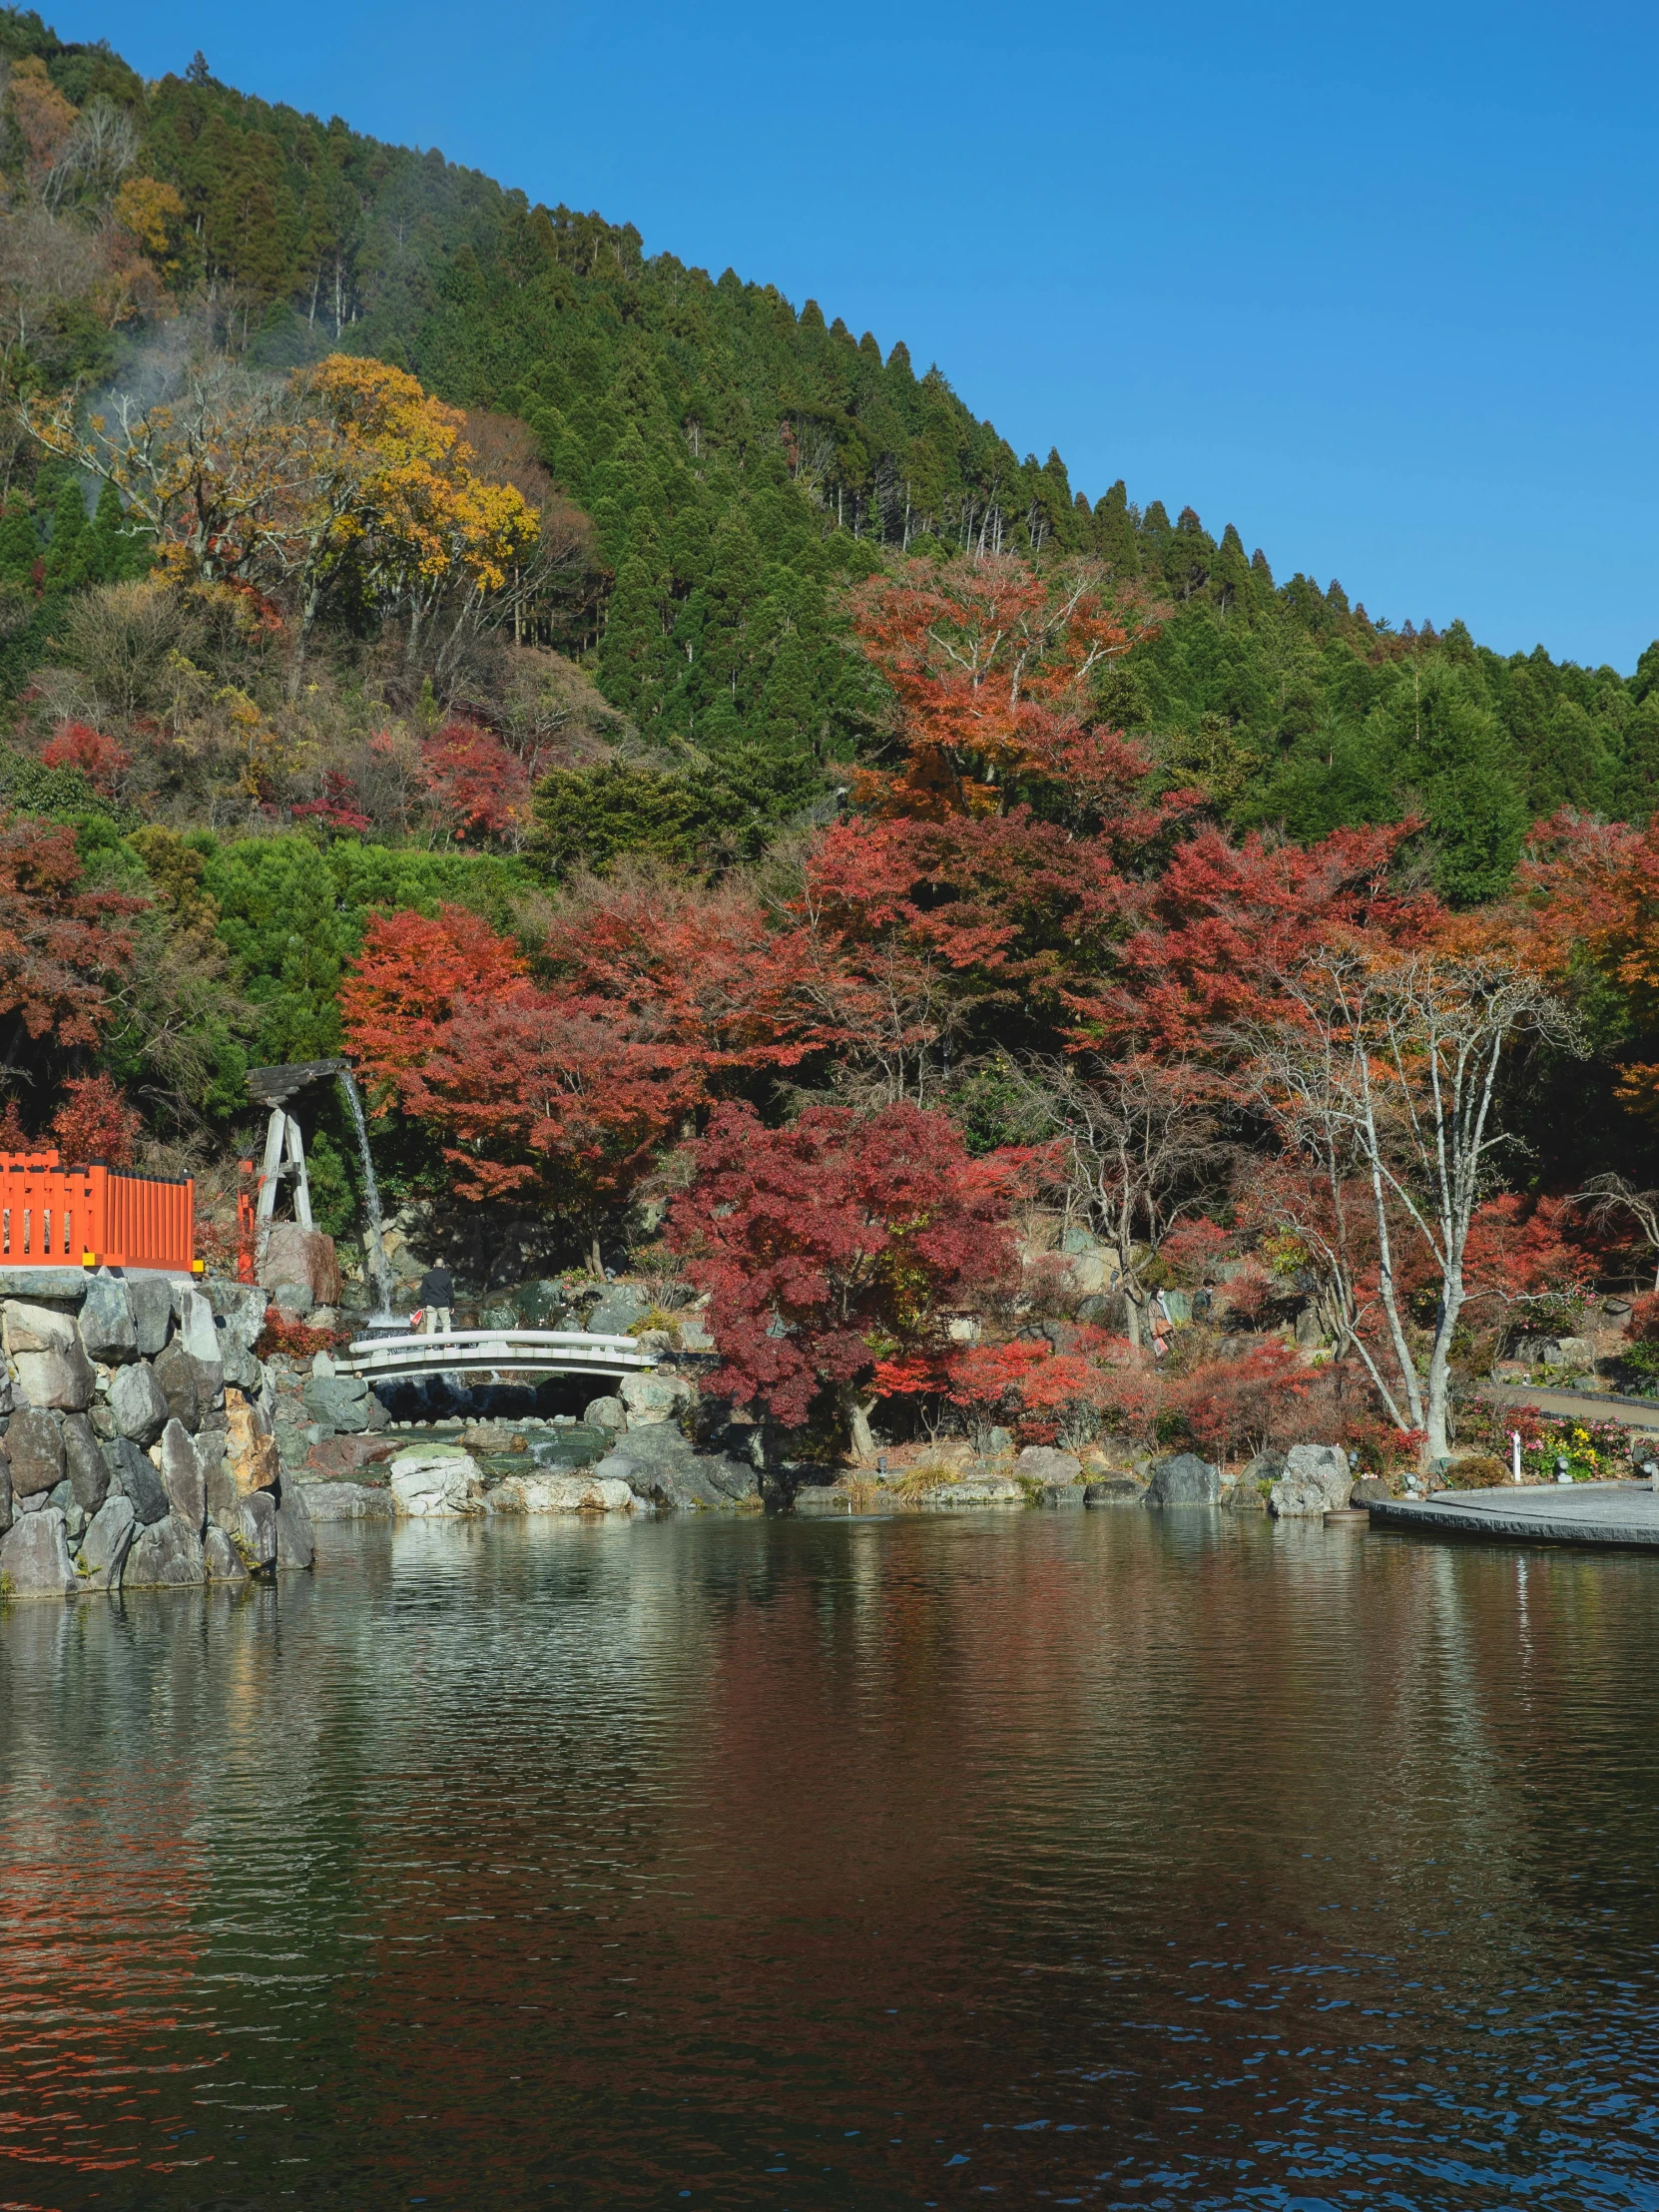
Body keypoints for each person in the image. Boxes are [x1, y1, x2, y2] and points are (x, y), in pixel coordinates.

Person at [415, 1257, 454, 1335]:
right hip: (443, 1304)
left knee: (431, 1325)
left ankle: (430, 1346)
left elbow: (423, 1291)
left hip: (430, 1304)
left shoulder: (427, 1276)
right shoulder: (447, 1277)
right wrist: (452, 1306)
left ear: (434, 1265)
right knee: (446, 1324)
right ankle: (447, 1344)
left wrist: (423, 1304)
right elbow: (450, 1293)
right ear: (443, 1266)